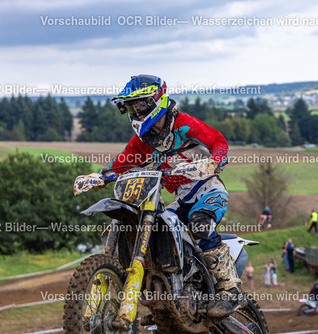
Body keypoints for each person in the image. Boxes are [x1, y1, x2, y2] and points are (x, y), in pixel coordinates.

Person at [73, 75, 243, 318]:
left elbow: (218, 141)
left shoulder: (184, 124)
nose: (136, 111)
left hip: (209, 189)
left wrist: (215, 162)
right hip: (181, 199)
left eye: (140, 104)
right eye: (131, 106)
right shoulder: (143, 141)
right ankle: (164, 292)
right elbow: (123, 162)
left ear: (157, 100)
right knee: (156, 229)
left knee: (200, 223)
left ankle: (229, 288)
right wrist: (99, 177)